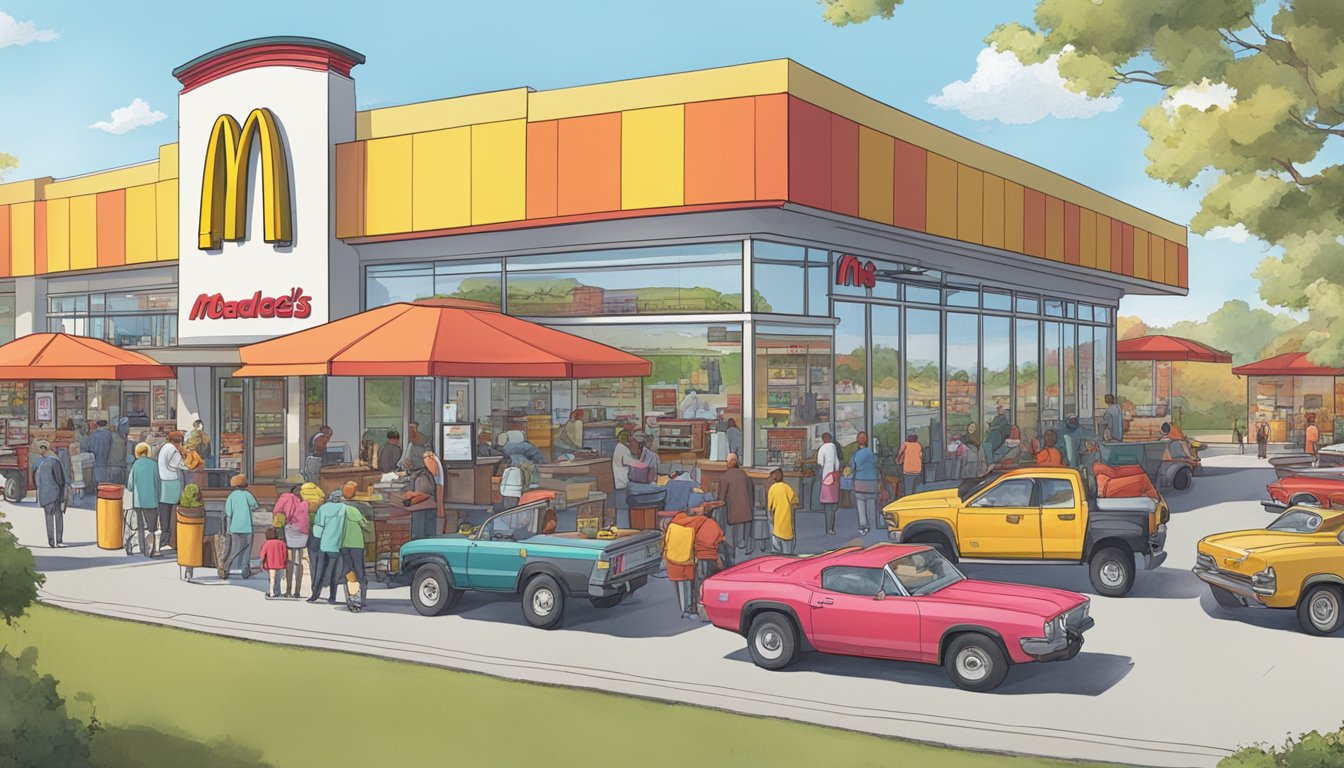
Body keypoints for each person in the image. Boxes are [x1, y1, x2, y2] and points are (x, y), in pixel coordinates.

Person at [308, 490, 347, 604]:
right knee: (335, 572)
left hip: (324, 544)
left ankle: (315, 594)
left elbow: (318, 527)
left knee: (319, 570)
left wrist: (316, 539)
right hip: (338, 544)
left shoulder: (323, 508)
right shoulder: (344, 509)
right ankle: (332, 597)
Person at [338, 482, 373, 610]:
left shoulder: (339, 509)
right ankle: (362, 598)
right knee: (360, 570)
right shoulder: (357, 509)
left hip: (343, 543)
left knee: (348, 570)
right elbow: (365, 523)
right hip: (357, 543)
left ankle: (350, 597)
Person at [662, 510, 700, 620]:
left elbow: (665, 542)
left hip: (674, 562)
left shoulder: (672, 527)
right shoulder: (692, 527)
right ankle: (690, 607)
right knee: (691, 585)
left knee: (680, 586)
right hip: (688, 561)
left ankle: (684, 609)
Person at [126, 442, 161, 557]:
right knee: (152, 527)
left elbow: (130, 485)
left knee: (139, 526)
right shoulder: (154, 465)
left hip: (138, 501)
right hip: (152, 500)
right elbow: (158, 483)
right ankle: (151, 548)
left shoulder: (135, 465)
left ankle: (141, 547)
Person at [275, 487, 310, 598]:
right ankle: (297, 591)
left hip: (290, 531)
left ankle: (288, 590)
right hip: (303, 533)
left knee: (290, 561)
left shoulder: (287, 498)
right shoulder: (305, 504)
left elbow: (277, 510)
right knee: (299, 561)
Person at [222, 474, 258, 579]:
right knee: (247, 549)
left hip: (234, 527)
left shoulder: (231, 496)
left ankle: (226, 568)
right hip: (247, 527)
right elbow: (255, 505)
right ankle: (245, 570)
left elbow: (228, 513)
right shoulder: (247, 494)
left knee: (234, 549)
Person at [33, 441, 66, 548]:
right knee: (58, 516)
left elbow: (34, 480)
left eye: (39, 449)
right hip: (55, 493)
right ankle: (59, 539)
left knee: (48, 517)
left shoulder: (37, 463)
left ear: (43, 449)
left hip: (44, 494)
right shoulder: (55, 462)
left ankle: (51, 541)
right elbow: (60, 480)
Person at [157, 432, 186, 550]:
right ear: (178, 442)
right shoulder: (172, 449)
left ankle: (164, 537)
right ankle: (171, 538)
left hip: (164, 482)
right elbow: (180, 464)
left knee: (164, 510)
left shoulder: (164, 447)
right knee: (174, 511)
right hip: (172, 483)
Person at [718, 453, 753, 550]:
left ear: (728, 463)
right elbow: (750, 492)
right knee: (741, 533)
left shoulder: (724, 477)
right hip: (745, 511)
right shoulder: (744, 474)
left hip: (732, 513)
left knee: (729, 531)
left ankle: (730, 545)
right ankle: (741, 543)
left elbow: (721, 499)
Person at [851, 432, 879, 535]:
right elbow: (876, 463)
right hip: (871, 482)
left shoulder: (856, 454)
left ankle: (863, 526)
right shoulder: (871, 453)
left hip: (860, 482)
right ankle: (872, 525)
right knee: (871, 504)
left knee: (860, 504)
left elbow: (852, 467)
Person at [767, 468, 800, 554]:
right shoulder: (787, 488)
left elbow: (770, 508)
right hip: (787, 527)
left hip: (776, 528)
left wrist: (771, 521)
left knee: (776, 552)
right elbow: (796, 501)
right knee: (787, 553)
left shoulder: (772, 489)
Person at [816, 433, 841, 535]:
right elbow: (837, 462)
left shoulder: (822, 448)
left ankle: (828, 527)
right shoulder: (834, 447)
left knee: (828, 506)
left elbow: (820, 463)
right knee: (833, 504)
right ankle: (830, 527)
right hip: (834, 477)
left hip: (826, 478)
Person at [611, 429, 635, 526]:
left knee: (622, 509)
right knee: (623, 509)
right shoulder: (623, 449)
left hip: (620, 483)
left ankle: (623, 527)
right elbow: (633, 464)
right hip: (623, 483)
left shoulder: (619, 448)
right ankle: (624, 529)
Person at [258, 528, 289, 599]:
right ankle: (278, 591)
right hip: (280, 564)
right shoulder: (282, 543)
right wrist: (284, 563)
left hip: (270, 564)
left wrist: (261, 563)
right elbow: (285, 554)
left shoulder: (266, 543)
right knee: (278, 578)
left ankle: (271, 592)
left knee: (271, 578)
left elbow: (262, 554)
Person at [81, 420, 114, 485]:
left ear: (98, 425)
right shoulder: (109, 434)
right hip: (107, 464)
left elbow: (88, 448)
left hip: (96, 463)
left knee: (96, 484)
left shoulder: (93, 434)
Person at [895, 433, 922, 500]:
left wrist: (898, 460)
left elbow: (900, 453)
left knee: (908, 490)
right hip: (917, 470)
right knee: (916, 489)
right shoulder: (918, 445)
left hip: (908, 470)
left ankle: (908, 501)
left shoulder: (905, 444)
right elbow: (920, 456)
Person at [106, 421, 128, 485]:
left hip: (110, 466)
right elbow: (122, 455)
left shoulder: (107, 438)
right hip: (119, 466)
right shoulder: (121, 439)